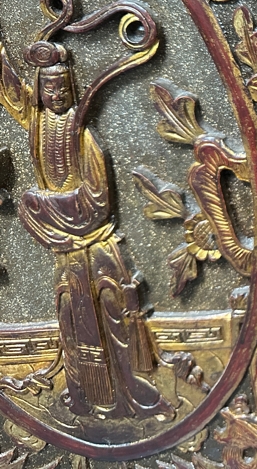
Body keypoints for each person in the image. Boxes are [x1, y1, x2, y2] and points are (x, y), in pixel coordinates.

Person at [0, 28, 172, 420]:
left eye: (63, 88)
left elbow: (98, 200)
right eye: (49, 88)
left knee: (110, 318)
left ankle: (128, 396)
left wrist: (44, 204)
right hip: (66, 250)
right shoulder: (38, 126)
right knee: (71, 321)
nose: (56, 95)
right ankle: (82, 398)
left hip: (95, 247)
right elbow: (12, 93)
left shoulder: (84, 136)